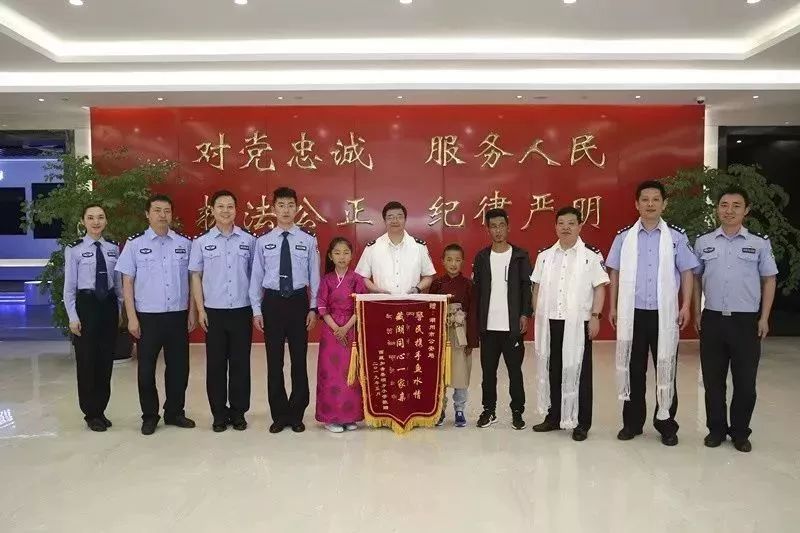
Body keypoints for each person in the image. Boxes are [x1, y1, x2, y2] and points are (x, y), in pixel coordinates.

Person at [606, 180, 699, 446]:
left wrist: (685, 305)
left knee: (665, 368)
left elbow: (687, 272)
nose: (650, 204)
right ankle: (632, 423)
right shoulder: (624, 237)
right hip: (633, 314)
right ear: (636, 204)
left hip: (664, 315)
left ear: (664, 204)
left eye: (655, 199)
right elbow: (614, 272)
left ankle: (666, 424)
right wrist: (613, 306)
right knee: (634, 370)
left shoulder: (676, 237)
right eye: (645, 199)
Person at [693, 186, 778, 453]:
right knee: (713, 381)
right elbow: (696, 279)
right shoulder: (703, 242)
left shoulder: (759, 243)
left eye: (736, 206)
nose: (729, 210)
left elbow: (769, 280)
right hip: (713, 319)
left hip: (746, 322)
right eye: (724, 205)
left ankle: (740, 433)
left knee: (745, 382)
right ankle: (716, 430)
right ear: (717, 208)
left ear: (746, 210)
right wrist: (696, 311)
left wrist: (764, 317)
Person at [115, 194, 197, 435]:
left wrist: (192, 312)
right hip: (148, 317)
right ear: (147, 214)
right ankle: (149, 415)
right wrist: (131, 317)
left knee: (179, 368)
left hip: (177, 316)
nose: (162, 215)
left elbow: (192, 280)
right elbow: (127, 282)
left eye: (167, 211)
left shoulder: (184, 244)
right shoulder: (135, 244)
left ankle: (175, 412)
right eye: (157, 210)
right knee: (146, 369)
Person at [530, 206, 609, 441]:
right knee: (553, 370)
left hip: (578, 324)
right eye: (561, 223)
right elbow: (536, 288)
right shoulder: (545, 256)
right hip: (551, 322)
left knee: (580, 373)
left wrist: (595, 316)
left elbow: (600, 288)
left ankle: (581, 423)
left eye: (571, 223)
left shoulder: (591, 255)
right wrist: (538, 316)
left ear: (580, 226)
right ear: (555, 226)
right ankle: (554, 417)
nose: (566, 227)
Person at [249, 186, 320, 434]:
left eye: (290, 205)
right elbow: (256, 277)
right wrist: (257, 310)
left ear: (297, 208)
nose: (286, 210)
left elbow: (314, 277)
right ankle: (279, 414)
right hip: (273, 303)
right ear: (273, 209)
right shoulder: (263, 241)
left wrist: (313, 308)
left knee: (299, 360)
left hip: (299, 302)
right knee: (274, 361)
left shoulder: (308, 240)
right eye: (281, 205)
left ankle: (297, 413)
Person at [189, 190, 256, 432]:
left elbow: (255, 275)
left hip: (241, 310)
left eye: (230, 206)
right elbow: (195, 276)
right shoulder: (201, 242)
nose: (225, 211)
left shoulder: (249, 240)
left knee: (240, 365)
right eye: (220, 206)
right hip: (214, 312)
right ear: (213, 210)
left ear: (236, 210)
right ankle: (218, 413)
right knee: (216, 366)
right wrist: (200, 309)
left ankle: (238, 413)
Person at [471, 208, 532, 431]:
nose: (498, 230)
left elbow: (527, 287)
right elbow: (476, 291)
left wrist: (525, 313)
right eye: (493, 226)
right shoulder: (481, 257)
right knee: (488, 373)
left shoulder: (520, 256)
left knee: (515, 372)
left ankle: (517, 412)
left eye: (501, 226)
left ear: (508, 227)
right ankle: (489, 410)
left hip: (512, 326)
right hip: (488, 327)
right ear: (488, 230)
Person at [63, 204, 122, 432]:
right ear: (83, 221)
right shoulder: (74, 250)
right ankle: (91, 413)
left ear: (106, 221)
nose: (96, 222)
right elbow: (69, 288)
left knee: (105, 361)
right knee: (87, 361)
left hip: (108, 306)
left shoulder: (113, 248)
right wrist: (73, 316)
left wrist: (119, 311)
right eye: (90, 218)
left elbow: (118, 285)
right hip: (86, 305)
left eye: (100, 217)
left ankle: (101, 410)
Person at [315, 237, 368, 433]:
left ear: (351, 255)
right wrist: (337, 328)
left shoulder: (357, 279)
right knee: (331, 374)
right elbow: (322, 306)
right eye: (337, 253)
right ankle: (331, 418)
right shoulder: (326, 280)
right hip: (330, 332)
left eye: (346, 252)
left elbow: (360, 305)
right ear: (330, 256)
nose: (342, 257)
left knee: (351, 371)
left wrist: (346, 327)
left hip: (352, 329)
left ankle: (350, 416)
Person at [430, 243, 478, 428]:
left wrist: (471, 341)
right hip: (441, 331)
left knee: (460, 372)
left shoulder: (468, 285)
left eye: (457, 260)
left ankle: (459, 409)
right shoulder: (437, 284)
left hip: (460, 332)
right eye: (449, 260)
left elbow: (473, 313)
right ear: (442, 261)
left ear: (463, 262)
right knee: (440, 372)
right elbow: (430, 310)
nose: (453, 264)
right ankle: (440, 408)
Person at [354, 201, 436, 295]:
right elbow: (362, 277)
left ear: (405, 220)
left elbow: (428, 276)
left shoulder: (419, 247)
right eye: (390, 217)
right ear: (384, 221)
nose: (395, 221)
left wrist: (417, 289)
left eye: (399, 217)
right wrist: (376, 290)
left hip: (411, 301)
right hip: (381, 301)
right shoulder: (372, 247)